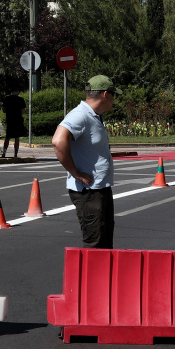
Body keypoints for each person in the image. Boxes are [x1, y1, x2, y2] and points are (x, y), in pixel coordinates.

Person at [52, 75, 120, 249]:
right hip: (88, 192)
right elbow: (58, 141)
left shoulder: (95, 116)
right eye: (113, 95)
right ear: (105, 94)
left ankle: (103, 276)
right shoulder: (80, 115)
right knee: (95, 243)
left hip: (99, 188)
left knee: (104, 242)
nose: (114, 99)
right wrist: (75, 172)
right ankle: (93, 276)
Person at [0, 87, 26, 158]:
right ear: (18, 91)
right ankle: (15, 154)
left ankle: (4, 153)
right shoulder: (20, 100)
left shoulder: (7, 99)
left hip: (9, 119)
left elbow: (4, 110)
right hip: (18, 120)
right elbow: (23, 111)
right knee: (17, 138)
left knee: (7, 137)